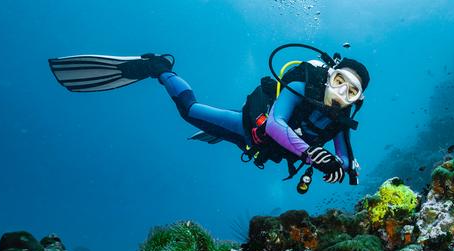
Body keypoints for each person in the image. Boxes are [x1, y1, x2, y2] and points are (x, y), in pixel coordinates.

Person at [48, 45, 370, 193]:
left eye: (351, 92)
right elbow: (275, 124)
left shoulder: (341, 119)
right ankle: (159, 68)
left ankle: (219, 132)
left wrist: (337, 166)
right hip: (252, 128)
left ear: (359, 100)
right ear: (329, 76)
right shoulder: (302, 84)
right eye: (339, 81)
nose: (342, 94)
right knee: (191, 112)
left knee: (228, 134)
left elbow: (345, 158)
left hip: (265, 148)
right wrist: (313, 154)